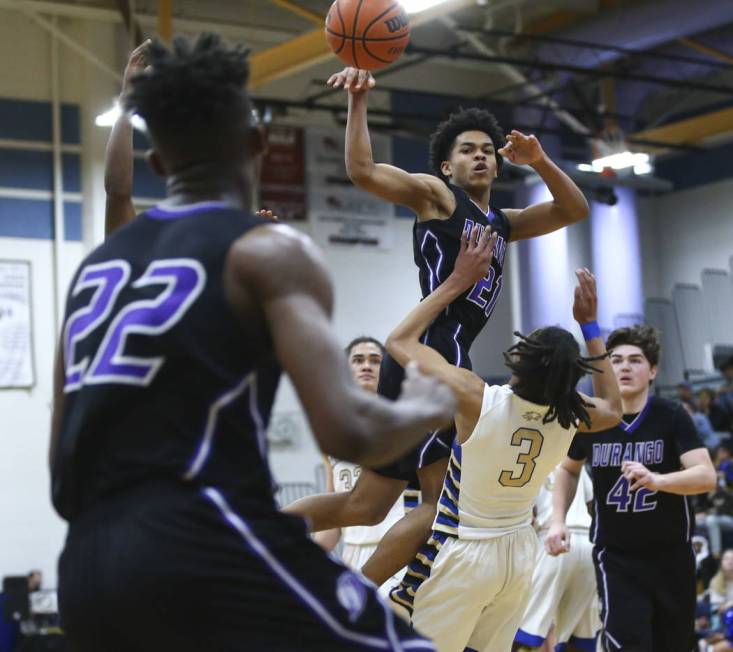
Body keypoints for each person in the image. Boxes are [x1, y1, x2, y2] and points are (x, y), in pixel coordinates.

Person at [50, 34, 457, 652]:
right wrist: (428, 403)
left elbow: (60, 476)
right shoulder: (269, 251)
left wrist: (130, 98)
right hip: (204, 541)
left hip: (86, 566)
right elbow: (350, 433)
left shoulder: (94, 273)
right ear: (257, 144)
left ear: (159, 162)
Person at [285, 66, 590, 586]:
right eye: (468, 149)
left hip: (435, 358)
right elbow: (362, 171)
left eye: (488, 149)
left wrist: (539, 160)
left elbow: (573, 208)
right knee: (436, 501)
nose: (481, 155)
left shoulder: (503, 223)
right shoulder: (438, 197)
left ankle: (251, 534)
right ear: (447, 167)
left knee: (365, 506)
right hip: (428, 357)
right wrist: (359, 102)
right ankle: (353, 598)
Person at [380, 226, 621, 652]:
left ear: (522, 359)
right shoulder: (572, 417)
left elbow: (399, 341)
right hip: (518, 554)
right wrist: (591, 326)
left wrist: (456, 281)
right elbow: (615, 407)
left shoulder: (476, 397)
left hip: (463, 550)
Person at [547, 325, 717, 652]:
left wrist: (658, 480)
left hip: (673, 557)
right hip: (617, 558)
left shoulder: (671, 415)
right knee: (629, 644)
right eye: (617, 360)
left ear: (652, 370)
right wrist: (558, 520)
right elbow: (568, 469)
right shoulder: (593, 420)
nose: (624, 367)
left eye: (635, 360)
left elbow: (705, 476)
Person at [314, 336, 407, 596]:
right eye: (358, 360)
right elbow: (335, 513)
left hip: (397, 547)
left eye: (375, 360)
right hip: (353, 551)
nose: (366, 366)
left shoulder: (403, 419)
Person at [514, 467, 600, 652]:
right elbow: (593, 504)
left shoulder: (530, 461)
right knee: (577, 637)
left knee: (518, 631)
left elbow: (526, 517)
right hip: (588, 543)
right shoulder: (573, 463)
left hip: (551, 539)